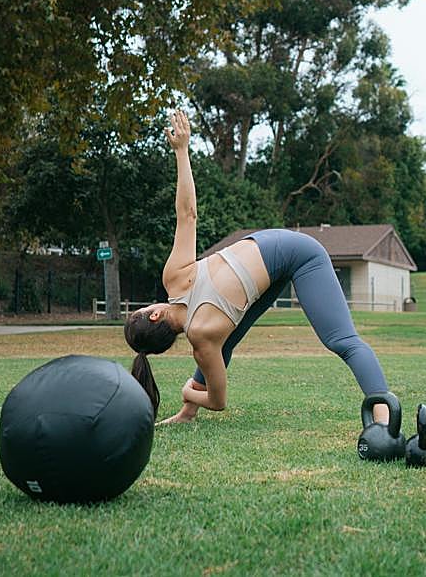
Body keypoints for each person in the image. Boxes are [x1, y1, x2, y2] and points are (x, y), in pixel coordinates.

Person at [125, 110, 391, 425]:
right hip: (273, 249)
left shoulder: (202, 341)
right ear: (154, 314)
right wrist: (182, 151)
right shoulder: (176, 279)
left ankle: (385, 417)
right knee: (341, 341)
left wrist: (190, 393)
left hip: (299, 254)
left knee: (334, 341)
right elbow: (187, 214)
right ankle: (386, 418)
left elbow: (217, 400)